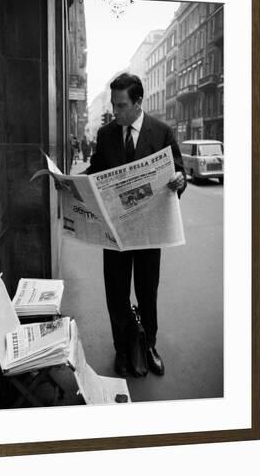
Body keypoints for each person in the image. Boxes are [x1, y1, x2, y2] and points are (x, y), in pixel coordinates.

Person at [86, 73, 186, 378]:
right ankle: (121, 350)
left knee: (147, 291)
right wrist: (73, 184)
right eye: (114, 105)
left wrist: (179, 181)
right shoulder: (106, 135)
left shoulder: (162, 133)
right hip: (115, 233)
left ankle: (149, 345)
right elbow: (95, 170)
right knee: (116, 294)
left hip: (149, 231)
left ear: (138, 102)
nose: (115, 112)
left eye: (121, 105)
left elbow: (179, 171)